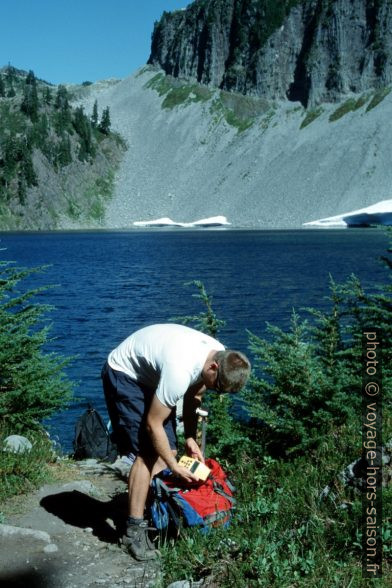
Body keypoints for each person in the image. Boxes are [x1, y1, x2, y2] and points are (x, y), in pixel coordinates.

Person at [101, 323, 251, 560]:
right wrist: (173, 465)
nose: (218, 393)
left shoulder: (218, 354)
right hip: (125, 374)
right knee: (148, 453)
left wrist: (190, 438)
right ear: (213, 367)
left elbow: (194, 398)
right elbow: (153, 423)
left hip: (153, 377)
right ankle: (133, 531)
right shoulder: (180, 370)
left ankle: (153, 509)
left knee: (168, 449)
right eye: (219, 387)